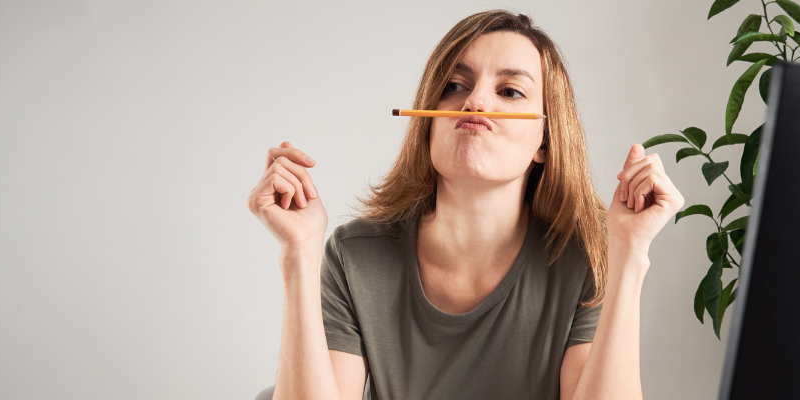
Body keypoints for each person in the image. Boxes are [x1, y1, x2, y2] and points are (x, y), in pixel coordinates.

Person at [247, 10, 683, 400]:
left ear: (546, 141)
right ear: (427, 123)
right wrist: (298, 254)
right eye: (454, 86)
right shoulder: (355, 254)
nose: (474, 102)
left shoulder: (583, 260)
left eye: (510, 91)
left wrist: (629, 255)